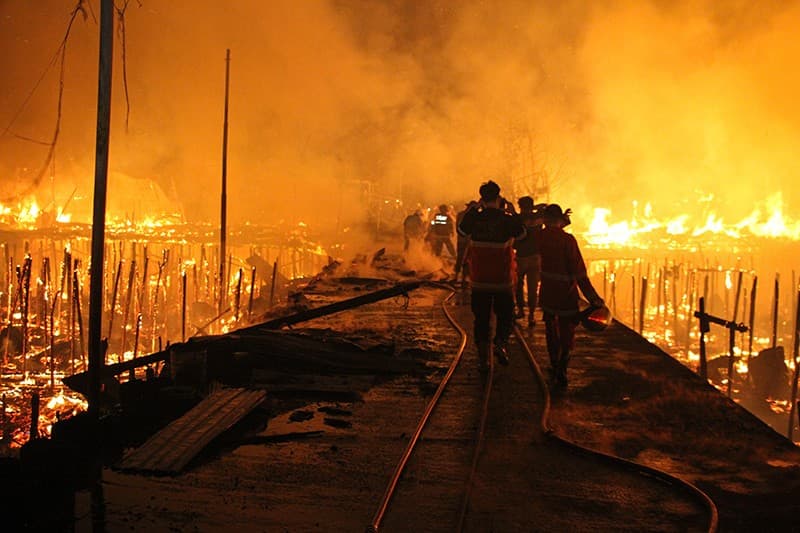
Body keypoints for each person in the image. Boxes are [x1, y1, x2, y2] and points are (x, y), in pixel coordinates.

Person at [458, 181, 526, 371]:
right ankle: (500, 343)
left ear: (482, 198)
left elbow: (461, 231)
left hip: (479, 279)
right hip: (502, 279)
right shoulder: (507, 219)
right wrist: (513, 213)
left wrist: (473, 210)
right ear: (499, 198)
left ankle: (483, 358)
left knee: (481, 319)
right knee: (505, 316)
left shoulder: (475, 218)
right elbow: (522, 235)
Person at [538, 203, 604, 389]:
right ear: (560, 220)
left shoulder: (540, 237)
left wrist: (560, 220)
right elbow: (579, 272)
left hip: (547, 292)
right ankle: (563, 367)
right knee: (567, 331)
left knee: (551, 329)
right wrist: (593, 298)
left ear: (545, 220)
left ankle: (554, 363)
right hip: (566, 294)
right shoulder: (568, 241)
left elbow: (550, 230)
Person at [513, 196, 545, 326]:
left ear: (520, 207)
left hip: (521, 257)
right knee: (533, 287)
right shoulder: (538, 217)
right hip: (536, 257)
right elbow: (547, 208)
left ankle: (521, 310)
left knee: (518, 285)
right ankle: (531, 315)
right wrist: (536, 208)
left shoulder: (518, 218)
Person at [454, 201, 478, 283]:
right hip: (467, 240)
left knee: (463, 258)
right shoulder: (473, 216)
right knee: (465, 258)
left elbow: (458, 228)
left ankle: (460, 277)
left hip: (463, 240)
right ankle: (462, 277)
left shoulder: (461, 214)